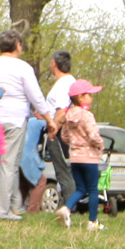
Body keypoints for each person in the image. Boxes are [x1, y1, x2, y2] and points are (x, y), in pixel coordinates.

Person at [0, 30, 51, 220]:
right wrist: (49, 118)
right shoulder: (23, 67)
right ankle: (2, 209)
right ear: (18, 46)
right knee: (9, 164)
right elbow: (36, 96)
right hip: (14, 120)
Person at [55, 79, 106, 231]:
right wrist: (100, 145)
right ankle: (93, 222)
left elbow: (64, 136)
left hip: (75, 157)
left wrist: (74, 143)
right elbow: (93, 135)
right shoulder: (87, 115)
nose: (92, 97)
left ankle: (67, 208)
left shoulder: (67, 116)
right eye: (89, 95)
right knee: (92, 189)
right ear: (81, 97)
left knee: (80, 188)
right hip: (89, 158)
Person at [43, 50, 78, 205]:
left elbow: (62, 112)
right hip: (64, 132)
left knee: (63, 172)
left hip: (59, 134)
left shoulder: (64, 84)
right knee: (65, 171)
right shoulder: (70, 82)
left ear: (53, 64)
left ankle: (69, 207)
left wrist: (53, 131)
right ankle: (68, 205)